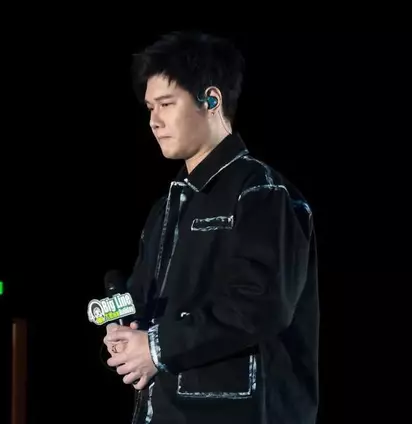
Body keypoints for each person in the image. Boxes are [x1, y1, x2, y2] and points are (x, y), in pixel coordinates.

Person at [103, 30, 319, 424]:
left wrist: (156, 347)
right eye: (149, 107)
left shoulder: (261, 192)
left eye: (166, 104)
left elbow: (261, 305)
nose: (154, 121)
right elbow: (142, 299)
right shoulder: (166, 207)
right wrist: (122, 330)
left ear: (211, 100)